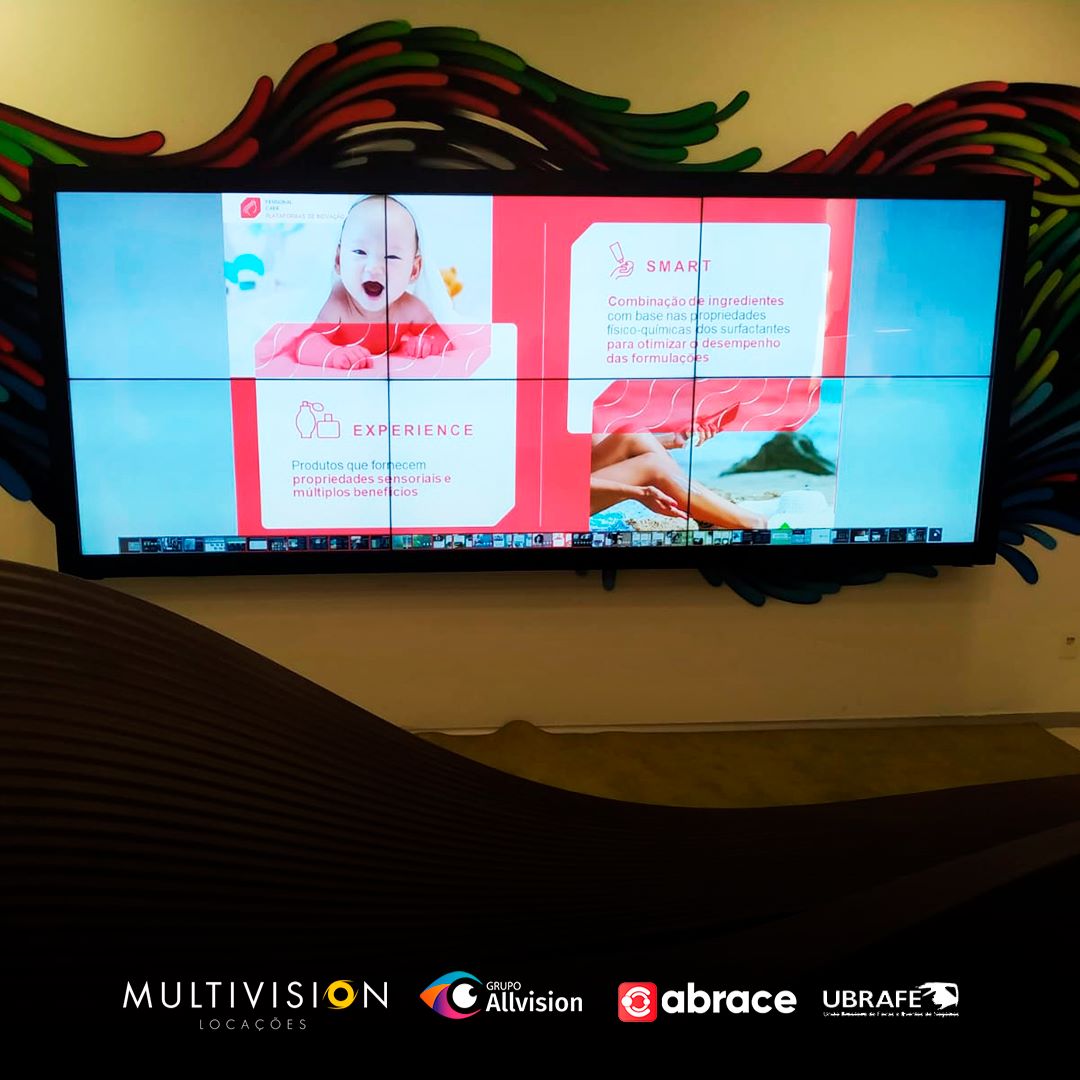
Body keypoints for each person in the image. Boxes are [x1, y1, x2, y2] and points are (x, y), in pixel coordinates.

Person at [289, 195, 451, 371]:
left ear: (414, 270)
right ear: (338, 260)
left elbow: (442, 337)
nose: (373, 268)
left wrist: (427, 342)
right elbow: (305, 343)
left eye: (391, 256)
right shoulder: (337, 304)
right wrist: (333, 354)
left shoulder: (409, 308)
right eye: (360, 252)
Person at [589, 413, 766, 529]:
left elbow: (595, 454)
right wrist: (637, 492)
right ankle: (753, 524)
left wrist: (674, 439)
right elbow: (571, 479)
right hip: (570, 502)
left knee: (632, 434)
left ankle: (707, 515)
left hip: (578, 486)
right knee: (653, 465)